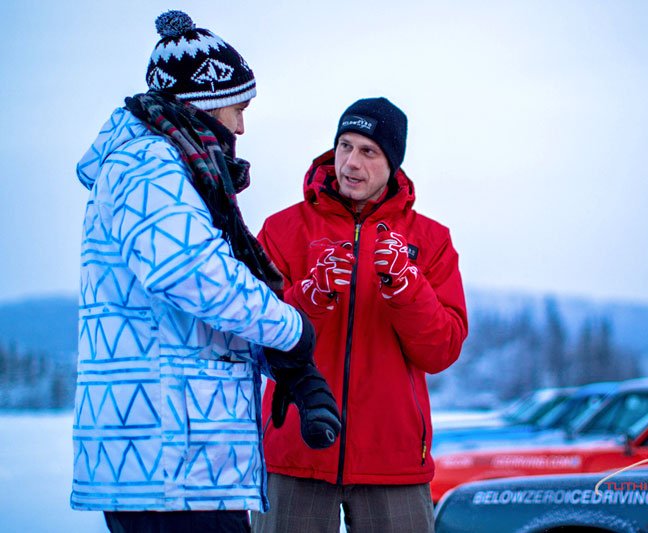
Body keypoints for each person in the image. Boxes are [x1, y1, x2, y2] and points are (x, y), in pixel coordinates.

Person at [71, 11, 339, 533]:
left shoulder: (171, 165)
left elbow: (193, 311)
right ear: (205, 102)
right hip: (167, 463)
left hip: (183, 459)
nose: (241, 126)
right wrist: (288, 330)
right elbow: (192, 271)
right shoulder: (147, 164)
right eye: (238, 107)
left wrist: (285, 366)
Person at [251, 97, 469, 532]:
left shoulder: (432, 239)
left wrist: (409, 290)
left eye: (368, 151)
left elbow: (442, 350)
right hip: (297, 450)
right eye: (344, 146)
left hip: (395, 459)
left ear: (393, 163)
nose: (351, 162)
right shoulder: (281, 229)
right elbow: (255, 339)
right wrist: (308, 297)